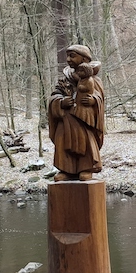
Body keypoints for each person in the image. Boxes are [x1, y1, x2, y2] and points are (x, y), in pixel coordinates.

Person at [48, 44, 105, 181]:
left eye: (72, 56)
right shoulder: (64, 79)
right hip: (66, 118)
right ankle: (66, 169)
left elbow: (100, 97)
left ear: (84, 59)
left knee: (85, 141)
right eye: (67, 56)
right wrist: (61, 102)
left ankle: (86, 168)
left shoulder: (94, 80)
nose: (68, 59)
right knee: (63, 140)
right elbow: (53, 96)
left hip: (83, 119)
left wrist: (93, 100)